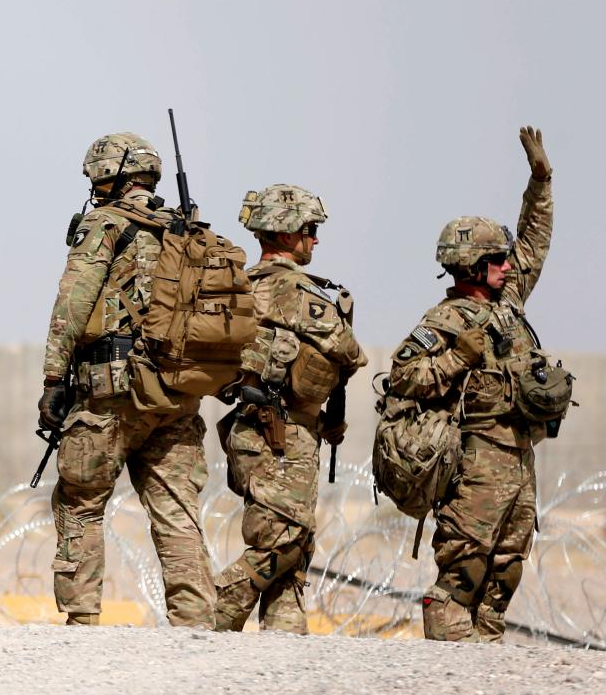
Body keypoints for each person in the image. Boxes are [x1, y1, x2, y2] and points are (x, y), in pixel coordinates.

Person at [39, 132, 215, 628]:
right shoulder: (189, 230)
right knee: (177, 509)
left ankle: (81, 618)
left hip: (112, 387)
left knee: (81, 499)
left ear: (105, 177)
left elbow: (72, 304)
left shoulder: (106, 224)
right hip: (177, 392)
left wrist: (54, 378)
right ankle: (196, 621)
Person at [389, 128, 555, 642]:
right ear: (475, 266)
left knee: (506, 567)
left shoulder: (508, 303)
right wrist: (457, 358)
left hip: (521, 457)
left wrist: (541, 182)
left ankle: (483, 659)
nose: (509, 266)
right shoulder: (443, 320)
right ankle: (448, 665)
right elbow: (403, 377)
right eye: (498, 260)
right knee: (465, 568)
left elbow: (533, 242)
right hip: (478, 460)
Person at [213, 184, 366, 634]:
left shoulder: (239, 284)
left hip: (250, 429)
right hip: (282, 434)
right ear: (285, 234)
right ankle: (209, 616)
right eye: (309, 230)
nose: (315, 240)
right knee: (284, 541)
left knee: (292, 553)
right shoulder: (297, 291)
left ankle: (284, 651)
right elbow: (349, 352)